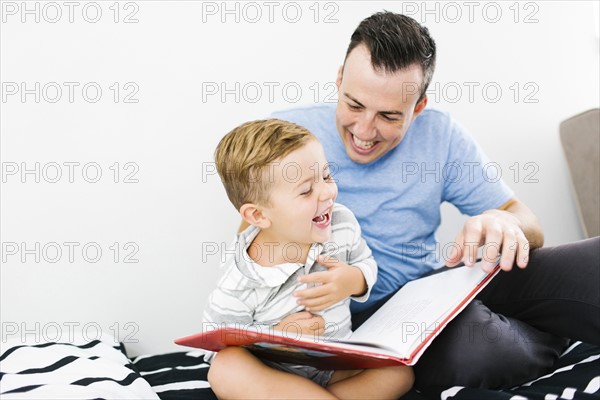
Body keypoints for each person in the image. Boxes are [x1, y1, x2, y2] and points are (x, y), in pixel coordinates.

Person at [270, 11, 600, 389]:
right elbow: (252, 243)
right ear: (339, 79)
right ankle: (547, 332)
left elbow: (527, 221)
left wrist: (502, 221)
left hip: (432, 289)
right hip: (360, 324)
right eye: (355, 105)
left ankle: (519, 319)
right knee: (484, 350)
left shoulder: (440, 134)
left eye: (389, 116)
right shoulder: (287, 138)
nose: (364, 131)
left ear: (419, 107)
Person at [204, 119, 414, 399]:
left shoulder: (341, 223)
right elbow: (217, 341)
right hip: (275, 373)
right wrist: (277, 334)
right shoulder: (241, 278)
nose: (327, 192)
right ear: (258, 216)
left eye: (326, 176)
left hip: (334, 365)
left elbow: (366, 263)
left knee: (400, 372)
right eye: (306, 191)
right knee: (225, 367)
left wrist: (353, 280)